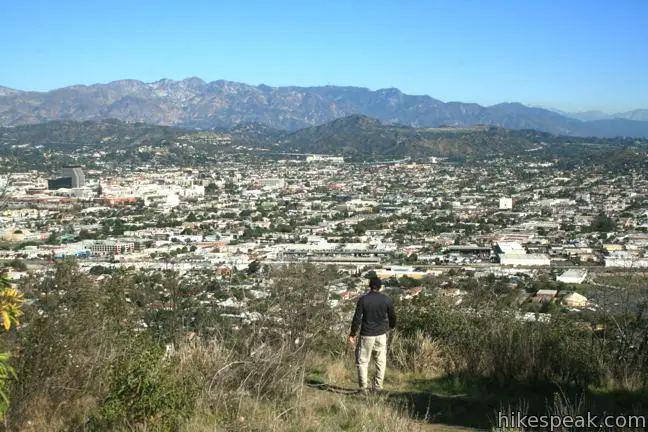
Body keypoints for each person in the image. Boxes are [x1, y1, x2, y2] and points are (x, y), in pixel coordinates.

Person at [348, 275, 396, 394]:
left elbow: (357, 318)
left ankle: (363, 388)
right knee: (380, 362)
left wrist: (353, 333)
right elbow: (393, 316)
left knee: (363, 361)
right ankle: (378, 387)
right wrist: (391, 326)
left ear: (369, 286)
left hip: (366, 335)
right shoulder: (386, 299)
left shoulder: (363, 300)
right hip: (381, 334)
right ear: (380, 287)